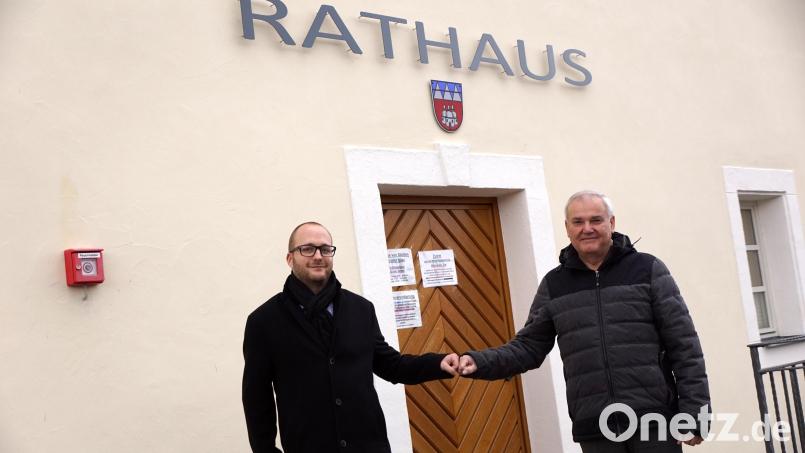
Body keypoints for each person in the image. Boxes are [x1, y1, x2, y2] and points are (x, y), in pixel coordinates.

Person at [456, 191, 710, 453]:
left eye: (595, 220)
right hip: (595, 427)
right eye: (577, 222)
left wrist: (695, 415)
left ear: (611, 224)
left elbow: (684, 346)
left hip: (653, 422)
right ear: (567, 229)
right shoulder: (555, 285)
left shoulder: (647, 269)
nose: (587, 228)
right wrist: (479, 361)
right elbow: (529, 348)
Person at [242, 221, 459, 453]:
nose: (318, 256)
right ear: (290, 259)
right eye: (307, 249)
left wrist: (437, 363)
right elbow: (257, 399)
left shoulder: (361, 309)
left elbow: (392, 366)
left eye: (325, 249)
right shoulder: (263, 321)